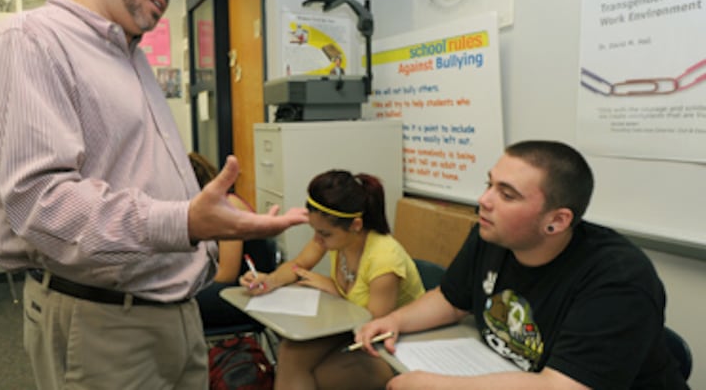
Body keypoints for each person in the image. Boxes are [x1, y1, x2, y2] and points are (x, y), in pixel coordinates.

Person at [0, 0, 307, 390]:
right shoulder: (31, 42)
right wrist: (186, 221)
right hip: (103, 322)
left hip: (175, 314)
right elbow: (44, 205)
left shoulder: (130, 57)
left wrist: (204, 229)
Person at [356, 140, 689, 390]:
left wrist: (436, 384)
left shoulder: (619, 279)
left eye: (507, 195)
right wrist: (395, 319)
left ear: (556, 221)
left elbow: (563, 387)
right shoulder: (492, 235)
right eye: (490, 184)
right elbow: (451, 299)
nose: (484, 200)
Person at [240, 170, 425, 390]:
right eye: (315, 231)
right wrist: (269, 280)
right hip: (349, 330)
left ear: (356, 225)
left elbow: (374, 327)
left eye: (325, 234)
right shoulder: (335, 238)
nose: (318, 239)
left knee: (320, 376)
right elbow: (298, 265)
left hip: (392, 349)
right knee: (290, 352)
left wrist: (337, 291)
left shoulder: (384, 260)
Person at [189, 152, 258, 328]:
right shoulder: (205, 212)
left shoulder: (229, 206)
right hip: (225, 286)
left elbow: (227, 274)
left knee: (175, 302)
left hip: (243, 290)